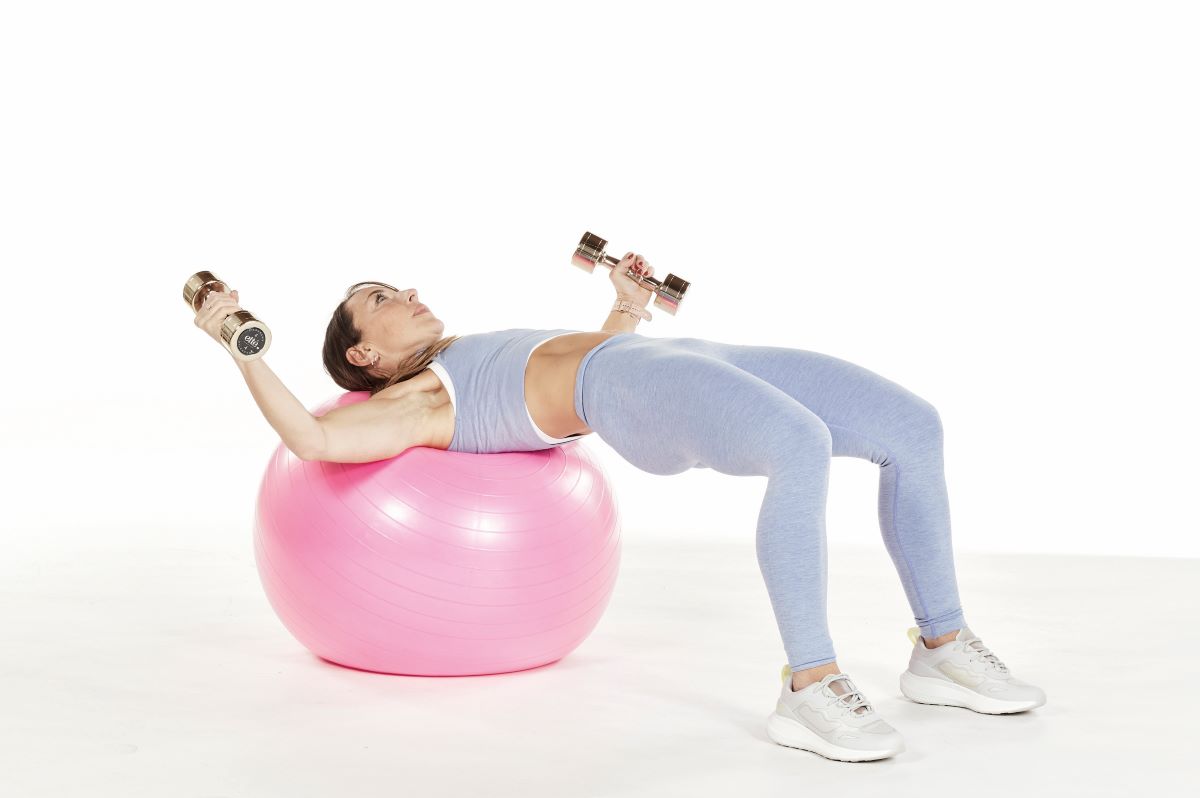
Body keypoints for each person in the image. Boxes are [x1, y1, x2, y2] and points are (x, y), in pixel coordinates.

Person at [194, 251, 1046, 762]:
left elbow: (568, 370)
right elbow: (310, 438)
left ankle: (941, 647)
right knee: (798, 446)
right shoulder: (417, 401)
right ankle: (809, 684)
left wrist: (624, 311)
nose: (404, 290)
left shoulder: (465, 351)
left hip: (681, 357)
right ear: (362, 353)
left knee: (913, 427)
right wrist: (236, 340)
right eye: (379, 298)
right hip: (633, 389)